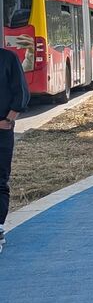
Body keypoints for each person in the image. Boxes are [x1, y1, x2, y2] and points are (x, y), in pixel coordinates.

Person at [0, 44, 30, 253]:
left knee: (0, 180)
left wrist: (9, 120)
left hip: (2, 132)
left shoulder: (8, 59)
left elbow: (21, 93)